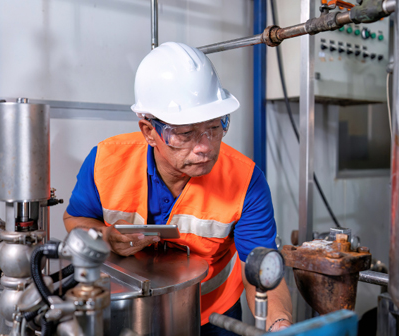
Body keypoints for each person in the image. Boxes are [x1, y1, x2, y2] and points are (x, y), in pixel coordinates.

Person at [63, 42, 292, 333]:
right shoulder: (105, 162)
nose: (205, 147)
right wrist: (106, 236)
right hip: (126, 311)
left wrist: (281, 325)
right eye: (185, 133)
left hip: (210, 315)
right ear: (149, 131)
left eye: (215, 126)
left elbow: (262, 272)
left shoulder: (246, 180)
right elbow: (75, 221)